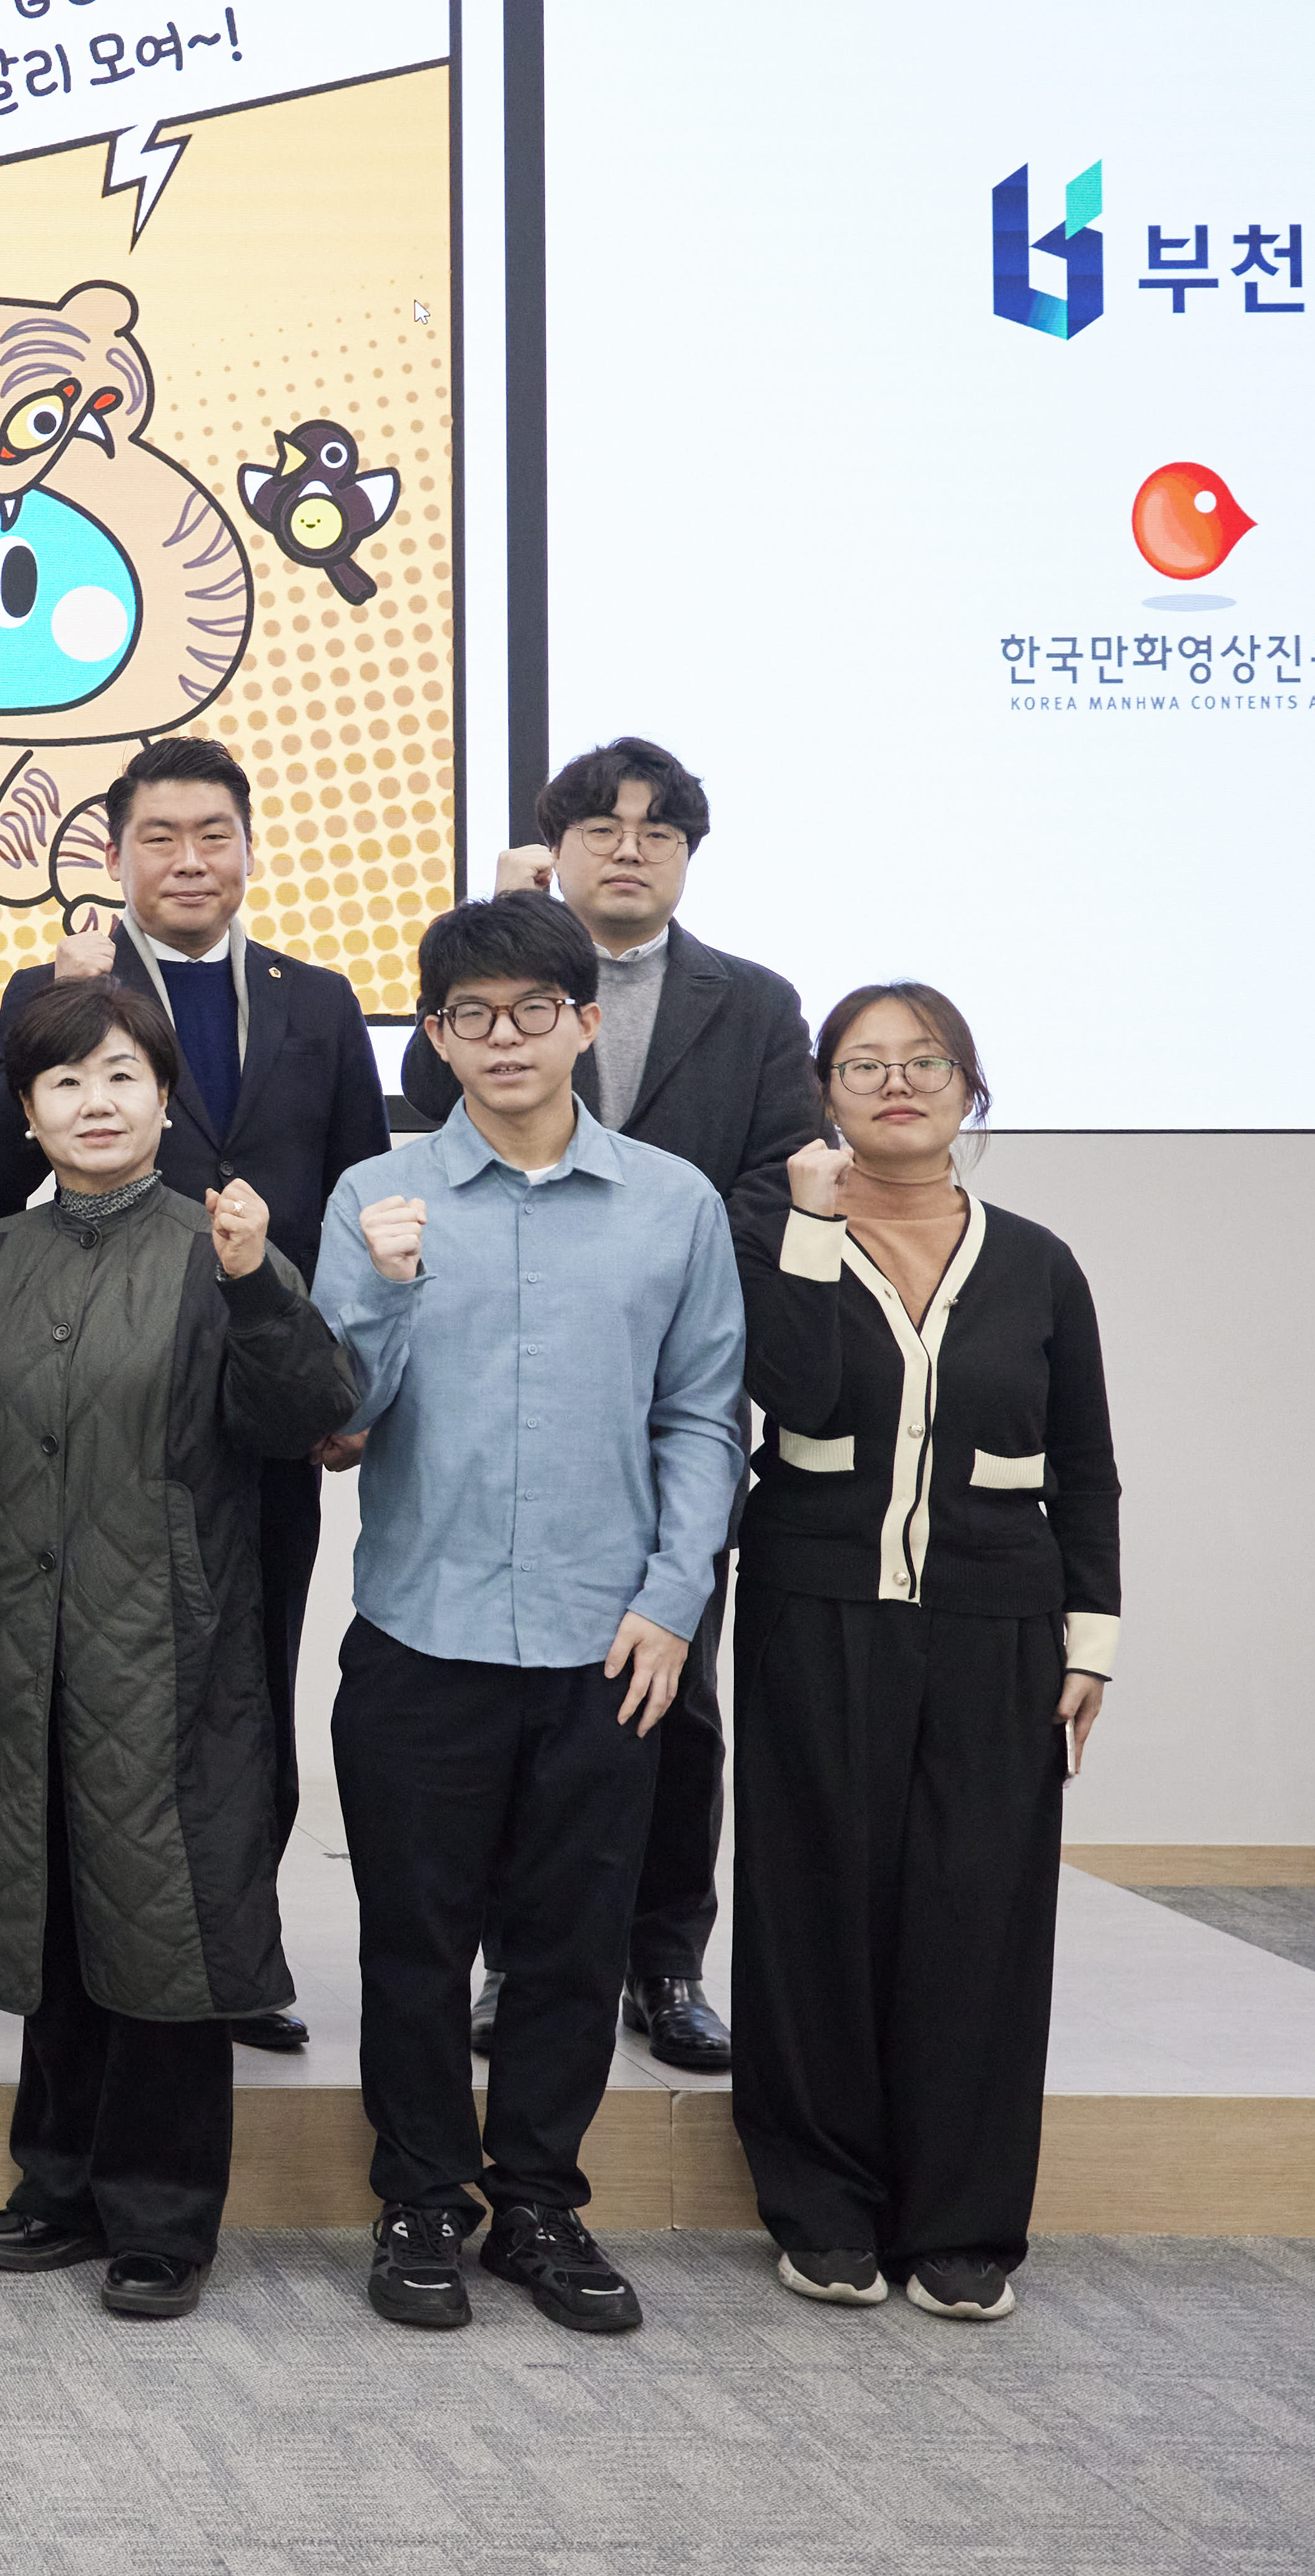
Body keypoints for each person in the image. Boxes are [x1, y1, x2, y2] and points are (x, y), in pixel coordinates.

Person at [0, 981, 357, 2322]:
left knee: (165, 1928)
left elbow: (308, 1416)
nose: (93, 1103)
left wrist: (255, 1284)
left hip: (171, 1652)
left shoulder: (219, 1249)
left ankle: (161, 2216)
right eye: (63, 1082)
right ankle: (57, 2184)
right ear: (27, 1114)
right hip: (12, 1645)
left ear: (163, 1098)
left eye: (119, 1077)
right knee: (44, 1913)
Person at [316, 897, 743, 2339]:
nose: (504, 1039)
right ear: (436, 1038)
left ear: (583, 1021)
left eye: (532, 1011)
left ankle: (543, 2205)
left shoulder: (673, 1206)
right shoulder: (378, 1197)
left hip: (605, 1644)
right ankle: (421, 2201)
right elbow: (336, 1422)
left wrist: (674, 1601)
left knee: (572, 1945)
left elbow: (701, 1418)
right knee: (413, 1944)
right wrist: (383, 1290)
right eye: (471, 1016)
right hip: (418, 1637)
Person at [0, 732, 392, 2053]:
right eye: (160, 835)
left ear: (249, 847)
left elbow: (360, 1191)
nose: (189, 858)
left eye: (214, 834)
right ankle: (101, 1954)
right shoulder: (59, 988)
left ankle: (233, 1951)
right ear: (115, 854)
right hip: (113, 1386)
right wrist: (53, 993)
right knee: (97, 1695)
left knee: (245, 1687)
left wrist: (335, 1372)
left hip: (265, 1389)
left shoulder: (319, 1000)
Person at [402, 736, 819, 2077]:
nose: (629, 848)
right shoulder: (491, 994)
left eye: (659, 831)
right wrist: (500, 924)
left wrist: (652, 1261)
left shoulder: (755, 1003)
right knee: (505, 1698)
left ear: (689, 856)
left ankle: (666, 1959)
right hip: (508, 1371)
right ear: (557, 847)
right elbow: (429, 1112)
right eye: (602, 827)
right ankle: (512, 1958)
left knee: (669, 1689)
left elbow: (776, 1175)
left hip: (673, 1370)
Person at [730, 985, 1117, 2323]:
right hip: (814, 1605)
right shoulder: (781, 1236)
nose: (897, 1083)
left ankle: (961, 2223)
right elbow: (794, 1393)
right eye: (865, 1065)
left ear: (969, 1087)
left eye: (926, 1061)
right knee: (814, 1903)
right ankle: (824, 2208)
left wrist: (1091, 1638)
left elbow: (1085, 1466)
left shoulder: (1039, 1264)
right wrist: (811, 1228)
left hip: (999, 1624)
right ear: (824, 1095)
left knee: (979, 1915)